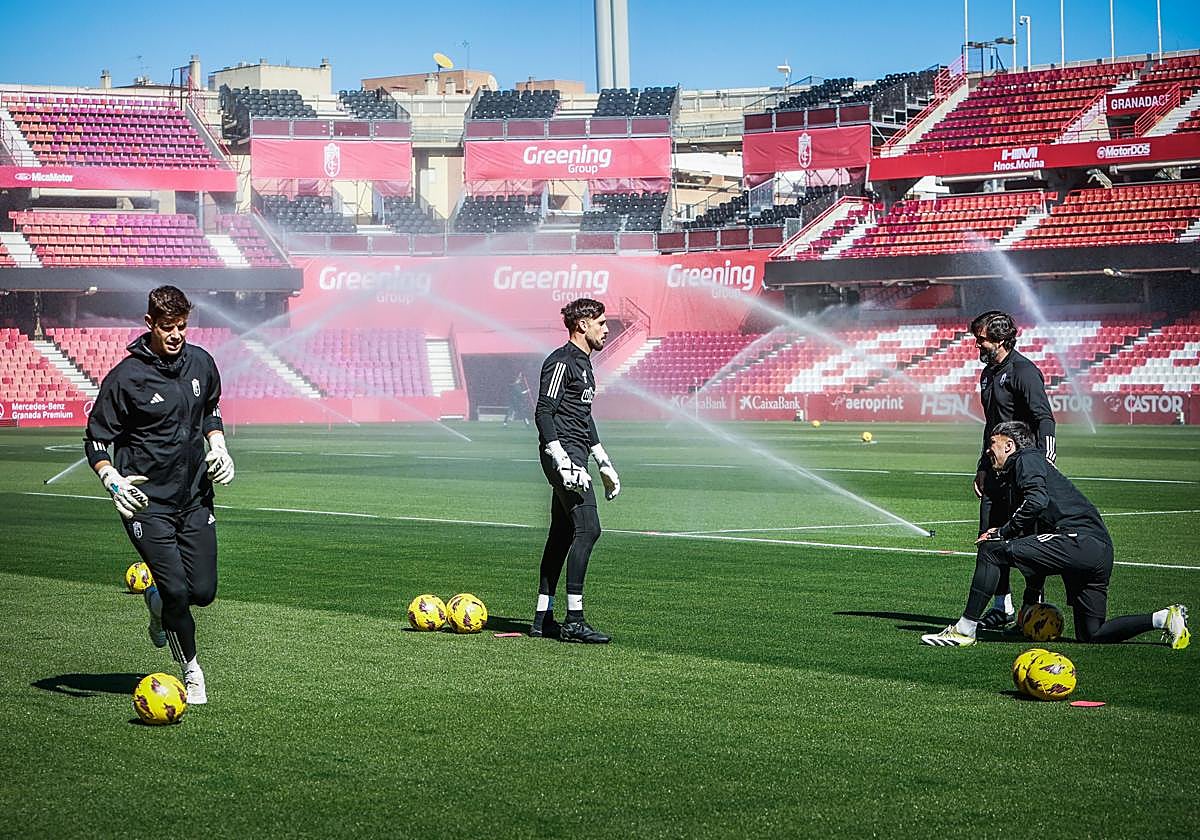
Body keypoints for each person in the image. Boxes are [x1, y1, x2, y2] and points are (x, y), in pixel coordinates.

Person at [84, 285, 235, 704]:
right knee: (177, 593)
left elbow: (211, 409)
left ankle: (155, 603)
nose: (176, 335)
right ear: (150, 324)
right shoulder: (125, 379)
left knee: (202, 592)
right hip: (146, 504)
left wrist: (218, 446)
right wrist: (111, 478)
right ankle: (190, 670)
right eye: (167, 327)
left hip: (195, 498)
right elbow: (96, 441)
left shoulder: (202, 363)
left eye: (182, 326)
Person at [922, 421, 1189, 649]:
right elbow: (1035, 550)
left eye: (993, 442)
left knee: (992, 549)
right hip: (1098, 551)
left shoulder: (1026, 459)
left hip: (1078, 540)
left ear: (1009, 445)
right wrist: (1028, 610)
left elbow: (1037, 500)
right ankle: (1164, 618)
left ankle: (965, 629)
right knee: (1091, 634)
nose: (988, 449)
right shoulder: (1023, 470)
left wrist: (1003, 531)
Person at [530, 297, 620, 644]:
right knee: (589, 529)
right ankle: (574, 620)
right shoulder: (561, 362)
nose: (606, 329)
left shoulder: (585, 365)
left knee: (562, 534)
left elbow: (584, 417)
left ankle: (542, 618)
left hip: (578, 456)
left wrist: (603, 460)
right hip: (565, 458)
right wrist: (560, 458)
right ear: (582, 325)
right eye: (601, 323)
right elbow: (543, 412)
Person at [970, 310, 1056, 631]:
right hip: (994, 472)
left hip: (1022, 470)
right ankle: (1000, 606)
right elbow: (990, 425)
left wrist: (1045, 463)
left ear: (1002, 339)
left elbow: (1044, 418)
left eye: (982, 339)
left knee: (1029, 542)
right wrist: (982, 465)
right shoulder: (987, 373)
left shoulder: (1024, 372)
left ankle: (1031, 608)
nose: (977, 344)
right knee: (989, 539)